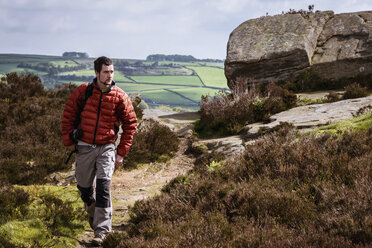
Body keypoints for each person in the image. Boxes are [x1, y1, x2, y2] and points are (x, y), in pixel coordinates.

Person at [61, 56, 137, 245]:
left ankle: (101, 232)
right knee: (85, 191)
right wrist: (69, 140)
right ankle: (95, 217)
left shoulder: (120, 96)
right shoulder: (83, 91)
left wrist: (121, 152)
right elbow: (68, 115)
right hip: (84, 147)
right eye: (106, 72)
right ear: (97, 73)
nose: (109, 75)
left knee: (103, 187)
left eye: (111, 71)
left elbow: (131, 123)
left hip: (107, 148)